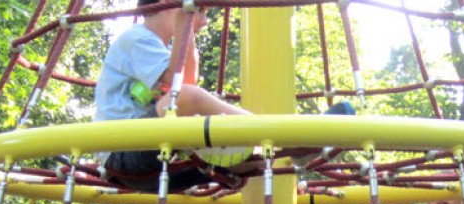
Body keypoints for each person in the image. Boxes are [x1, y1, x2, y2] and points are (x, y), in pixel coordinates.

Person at [94, 0, 353, 191]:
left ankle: (276, 149)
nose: (205, 21)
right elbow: (183, 89)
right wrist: (186, 17)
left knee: (253, 165)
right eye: (204, 12)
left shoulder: (156, 47)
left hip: (151, 160)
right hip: (125, 153)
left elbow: (186, 81)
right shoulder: (137, 38)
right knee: (185, 98)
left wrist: (186, 24)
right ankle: (282, 135)